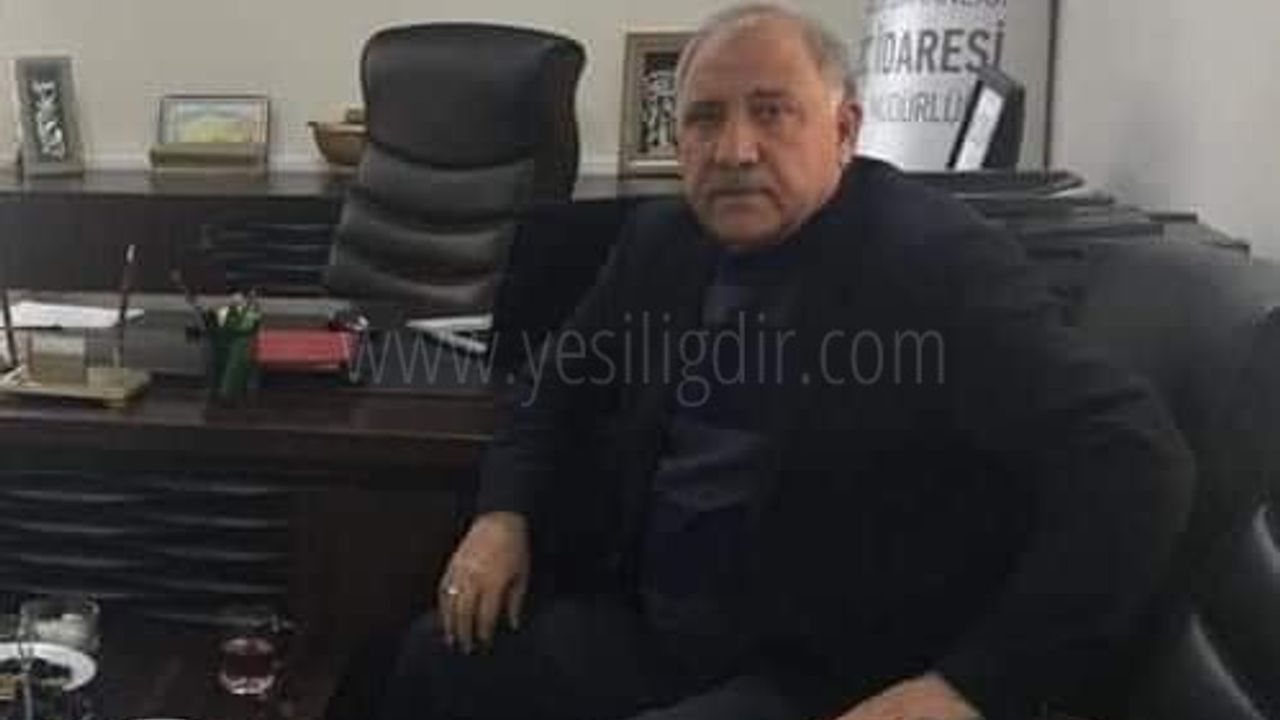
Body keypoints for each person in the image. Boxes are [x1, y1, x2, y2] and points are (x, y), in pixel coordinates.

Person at [378, 4, 1193, 720]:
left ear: (844, 129)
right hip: (654, 628)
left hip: (822, 670)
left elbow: (1134, 459)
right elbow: (552, 390)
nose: (735, 149)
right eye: (705, 119)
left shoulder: (936, 262)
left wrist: (974, 685)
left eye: (772, 113)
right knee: (431, 663)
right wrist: (502, 514)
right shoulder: (664, 241)